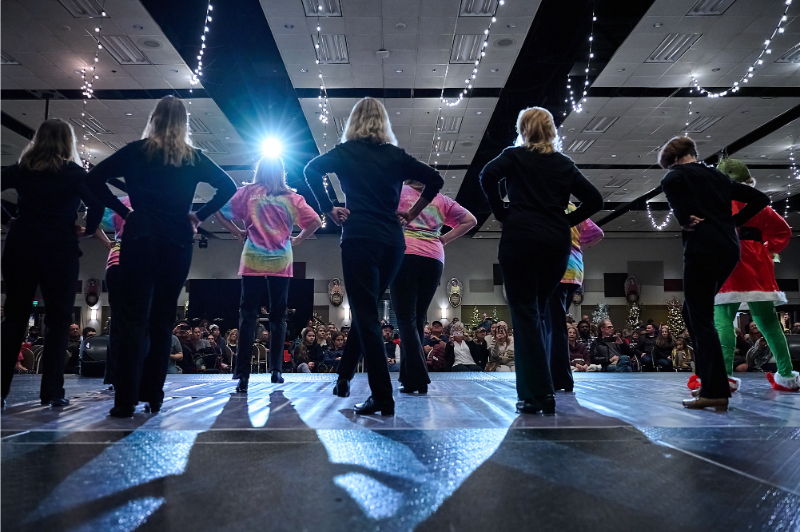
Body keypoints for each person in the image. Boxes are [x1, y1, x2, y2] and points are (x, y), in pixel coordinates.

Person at [87, 95, 236, 417]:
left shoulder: (136, 151)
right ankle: (153, 395)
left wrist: (120, 210)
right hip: (176, 239)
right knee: (162, 321)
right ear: (184, 123)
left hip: (139, 235)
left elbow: (92, 180)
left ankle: (124, 400)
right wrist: (199, 215)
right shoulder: (192, 157)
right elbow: (228, 186)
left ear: (153, 118)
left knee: (131, 320)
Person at [304, 97, 444, 416]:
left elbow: (310, 170)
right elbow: (435, 180)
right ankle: (344, 377)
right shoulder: (395, 156)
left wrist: (329, 207)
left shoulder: (346, 152)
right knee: (367, 313)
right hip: (393, 243)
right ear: (384, 123)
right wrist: (411, 213)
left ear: (354, 121)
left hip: (359, 237)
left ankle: (382, 396)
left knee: (366, 316)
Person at [480, 106, 602, 414]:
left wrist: (500, 211)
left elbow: (487, 175)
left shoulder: (514, 156)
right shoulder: (563, 164)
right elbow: (595, 200)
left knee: (526, 317)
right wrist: (566, 220)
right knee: (539, 314)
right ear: (551, 132)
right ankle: (543, 389)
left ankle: (537, 394)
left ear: (523, 130)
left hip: (520, 239)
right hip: (555, 244)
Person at [659, 135, 769, 409]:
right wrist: (732, 222)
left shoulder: (676, 176)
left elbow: (671, 185)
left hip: (702, 249)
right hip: (729, 249)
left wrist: (683, 219)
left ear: (673, 159)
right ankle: (711, 382)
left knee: (700, 318)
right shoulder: (717, 178)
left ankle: (715, 389)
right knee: (692, 313)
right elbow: (760, 198)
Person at [1, 119, 104, 408]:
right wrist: (85, 230)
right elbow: (97, 204)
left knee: (14, 317)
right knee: (59, 320)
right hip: (59, 246)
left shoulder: (22, 169)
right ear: (67, 143)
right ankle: (53, 392)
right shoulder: (73, 173)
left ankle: (0, 390)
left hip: (21, 244)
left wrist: (8, 219)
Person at [713, 159, 797, 392]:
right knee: (769, 324)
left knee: (723, 324)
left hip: (728, 260)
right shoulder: (763, 208)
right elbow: (784, 231)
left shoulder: (717, 203)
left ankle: (723, 378)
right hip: (758, 265)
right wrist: (767, 248)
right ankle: (787, 375)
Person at [391, 179, 477, 393]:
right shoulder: (441, 199)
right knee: (419, 317)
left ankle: (417, 377)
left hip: (404, 254)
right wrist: (445, 239)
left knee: (405, 317)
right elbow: (470, 220)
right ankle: (410, 376)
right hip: (433, 259)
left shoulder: (397, 191)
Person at [547, 202, 603, 392]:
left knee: (554, 328)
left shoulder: (547, 204)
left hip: (557, 270)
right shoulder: (572, 207)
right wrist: (578, 246)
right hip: (575, 271)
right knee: (555, 325)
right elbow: (598, 234)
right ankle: (558, 376)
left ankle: (561, 378)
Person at [94, 195, 131, 388]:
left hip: (115, 262)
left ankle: (114, 375)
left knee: (118, 321)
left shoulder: (120, 201)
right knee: (139, 321)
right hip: (139, 263)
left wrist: (107, 243)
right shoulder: (154, 198)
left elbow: (91, 218)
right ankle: (133, 373)